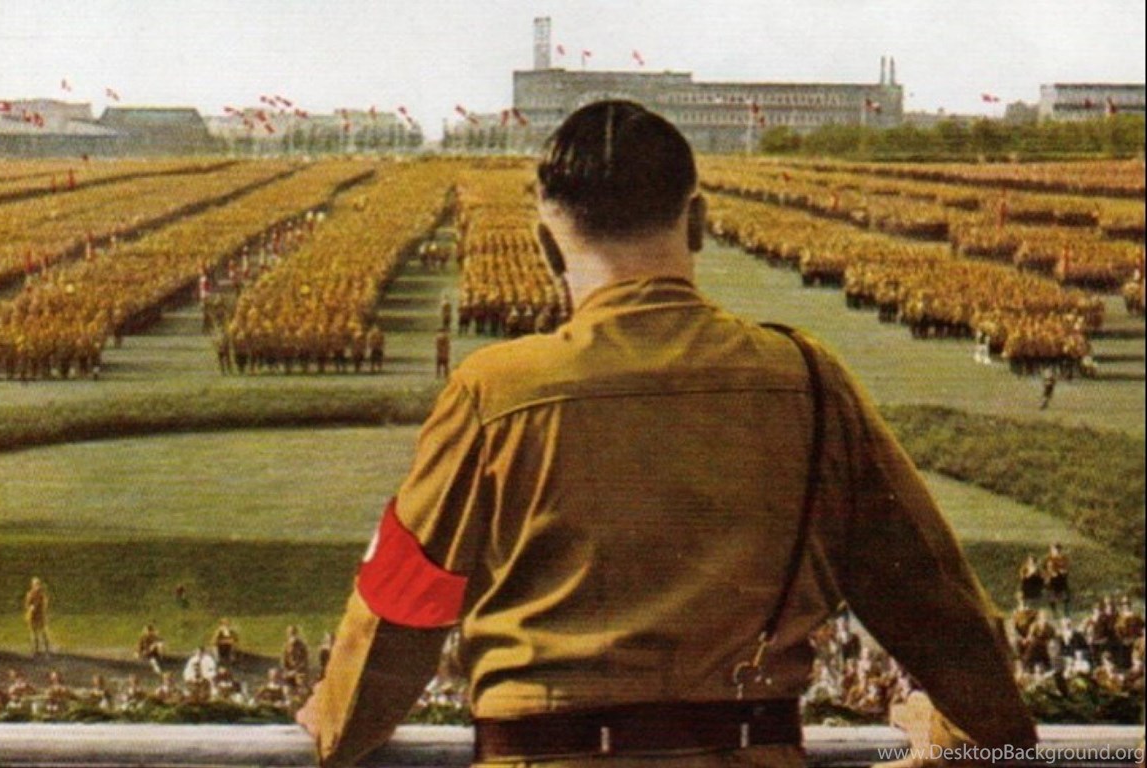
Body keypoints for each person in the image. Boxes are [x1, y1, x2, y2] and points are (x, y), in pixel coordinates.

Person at [297, 101, 1036, 768]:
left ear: (548, 247)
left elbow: (405, 602)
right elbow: (931, 597)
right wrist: (980, 735)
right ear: (699, 221)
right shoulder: (808, 379)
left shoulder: (493, 391)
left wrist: (334, 727)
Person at [23, 577, 51, 657]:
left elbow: (45, 605)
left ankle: (47, 650)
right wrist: (30, 608)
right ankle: (35, 650)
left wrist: (41, 610)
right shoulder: (30, 594)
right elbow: (27, 605)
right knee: (34, 634)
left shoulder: (42, 595)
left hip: (40, 615)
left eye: (38, 584)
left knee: (43, 633)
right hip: (32, 616)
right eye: (35, 584)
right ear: (32, 586)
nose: (37, 586)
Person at [1044, 543, 1071, 616]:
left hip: (1061, 579)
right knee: (1051, 596)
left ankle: (1066, 612)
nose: (1057, 551)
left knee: (1066, 596)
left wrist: (1063, 571)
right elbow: (1048, 570)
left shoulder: (1064, 558)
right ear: (1051, 550)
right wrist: (1051, 573)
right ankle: (1054, 612)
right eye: (1055, 549)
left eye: (1058, 549)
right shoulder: (1048, 559)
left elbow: (1066, 568)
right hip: (1052, 580)